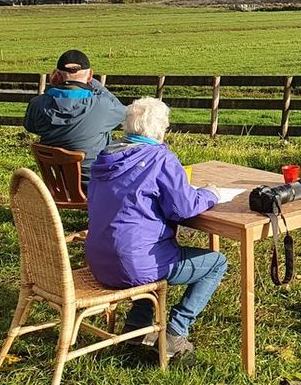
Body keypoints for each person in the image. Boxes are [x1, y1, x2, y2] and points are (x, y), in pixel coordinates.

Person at [84, 97, 226, 358]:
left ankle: (138, 327)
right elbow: (183, 208)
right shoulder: (160, 159)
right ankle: (176, 332)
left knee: (139, 246)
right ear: (161, 129)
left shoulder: (104, 159)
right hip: (136, 264)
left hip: (99, 260)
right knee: (216, 263)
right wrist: (211, 195)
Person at [23, 49, 125, 186]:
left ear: (57, 75)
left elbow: (31, 126)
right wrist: (94, 84)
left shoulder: (37, 104)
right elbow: (123, 113)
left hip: (58, 183)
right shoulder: (101, 106)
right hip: (97, 184)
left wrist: (53, 87)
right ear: (90, 75)